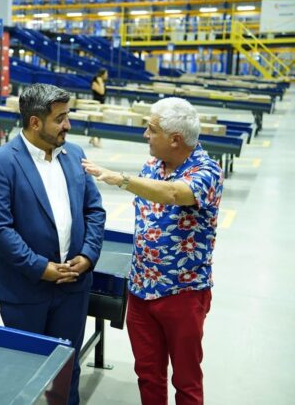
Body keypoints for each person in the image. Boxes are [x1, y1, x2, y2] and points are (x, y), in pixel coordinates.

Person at [83, 97, 223, 405]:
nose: (145, 134)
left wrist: (120, 179)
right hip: (141, 288)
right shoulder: (151, 166)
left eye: (152, 129)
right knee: (148, 374)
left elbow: (174, 193)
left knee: (186, 379)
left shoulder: (207, 171)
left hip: (182, 292)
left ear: (175, 139)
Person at [0, 83, 106, 405]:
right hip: (25, 290)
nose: (68, 125)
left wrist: (88, 255)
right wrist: (40, 267)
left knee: (67, 369)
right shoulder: (1, 162)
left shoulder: (74, 155)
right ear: (35, 122)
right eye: (60, 119)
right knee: (26, 372)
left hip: (73, 287)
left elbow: (94, 210)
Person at [89, 67, 108, 148]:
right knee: (95, 122)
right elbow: (101, 92)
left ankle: (94, 138)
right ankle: (94, 139)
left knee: (100, 122)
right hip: (96, 105)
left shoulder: (102, 82)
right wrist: (100, 82)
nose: (107, 75)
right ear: (101, 75)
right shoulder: (95, 83)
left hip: (102, 105)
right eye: (106, 74)